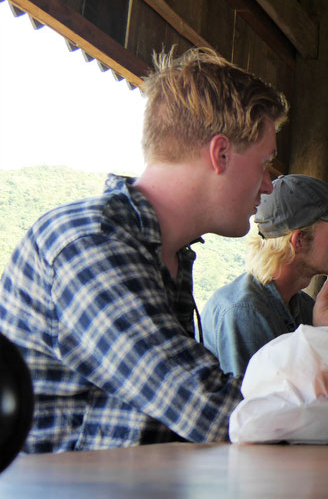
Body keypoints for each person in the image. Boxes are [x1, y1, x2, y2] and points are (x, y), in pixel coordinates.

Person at [0, 48, 286, 452]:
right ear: (220, 154)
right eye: (264, 162)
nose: (268, 184)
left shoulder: (168, 255)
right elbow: (212, 411)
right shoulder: (89, 242)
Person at [201, 174, 328, 377]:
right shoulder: (243, 312)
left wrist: (323, 331)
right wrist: (320, 335)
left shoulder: (306, 307)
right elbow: (267, 406)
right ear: (298, 241)